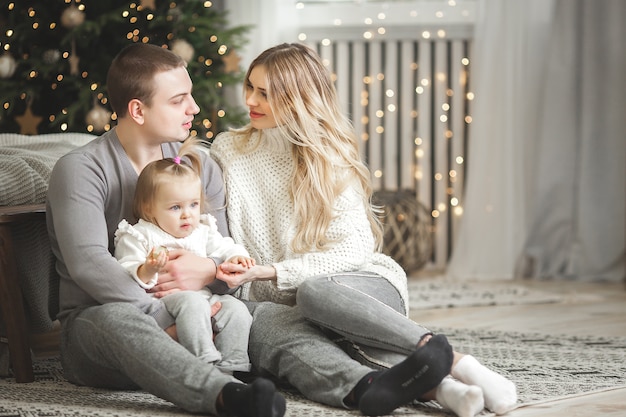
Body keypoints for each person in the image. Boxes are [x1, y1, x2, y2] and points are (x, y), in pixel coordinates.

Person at [206, 43, 518, 417]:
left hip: (357, 288)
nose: (251, 101)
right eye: (250, 87)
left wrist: (274, 271)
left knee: (313, 294)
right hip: (282, 303)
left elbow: (354, 248)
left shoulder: (328, 155)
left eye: (266, 93)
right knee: (317, 335)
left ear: (298, 99)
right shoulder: (228, 149)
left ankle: (452, 358)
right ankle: (444, 389)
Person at [46, 42, 285, 417]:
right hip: (104, 325)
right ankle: (227, 396)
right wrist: (169, 322)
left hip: (203, 311)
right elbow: (88, 263)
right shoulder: (80, 169)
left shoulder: (199, 166)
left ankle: (357, 383)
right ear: (137, 109)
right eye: (179, 100)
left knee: (267, 316)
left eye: (190, 96)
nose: (195, 108)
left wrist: (212, 276)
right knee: (117, 321)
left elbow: (218, 251)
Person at [114, 136, 255, 373]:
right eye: (175, 207)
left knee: (235, 308)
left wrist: (236, 257)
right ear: (149, 208)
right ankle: (203, 360)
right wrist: (147, 268)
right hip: (164, 304)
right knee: (192, 303)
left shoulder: (202, 230)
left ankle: (233, 365)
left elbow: (224, 246)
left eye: (193, 204)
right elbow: (125, 269)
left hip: (204, 299)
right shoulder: (140, 235)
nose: (187, 215)